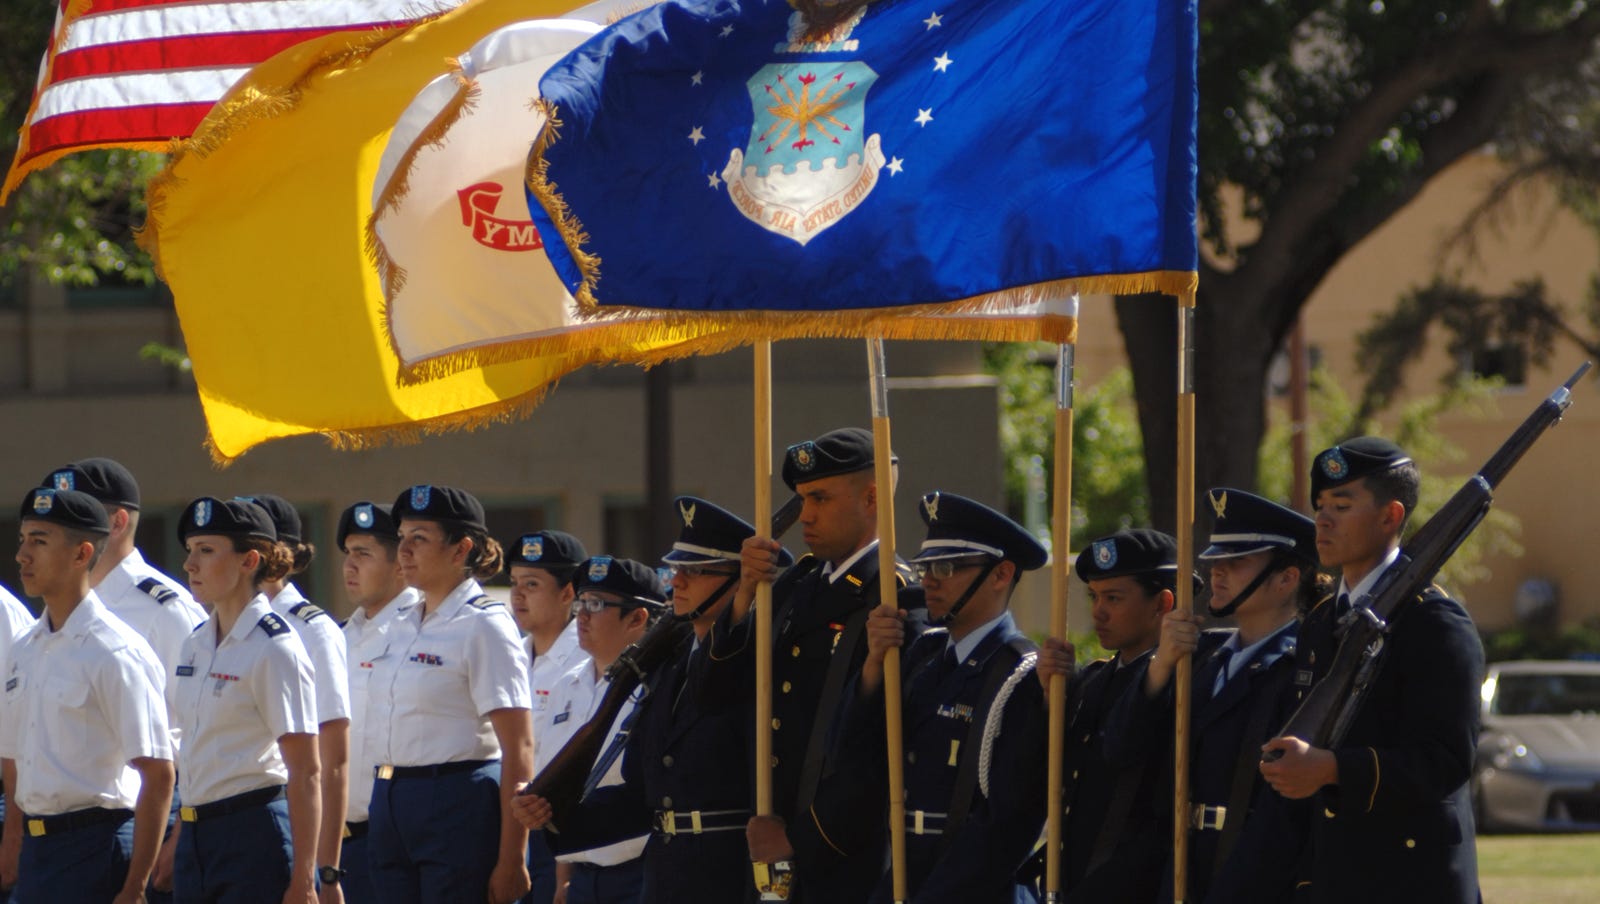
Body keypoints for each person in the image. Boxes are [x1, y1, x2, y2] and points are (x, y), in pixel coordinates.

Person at [514, 498, 789, 902]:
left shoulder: (757, 662)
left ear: (739, 581)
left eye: (695, 572)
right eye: (677, 570)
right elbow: (645, 792)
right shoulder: (668, 668)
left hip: (730, 871)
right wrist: (555, 813)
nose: (677, 582)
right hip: (667, 873)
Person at [1260, 437, 1484, 903]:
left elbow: (1444, 762)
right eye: (1320, 506)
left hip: (1410, 883)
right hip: (1330, 878)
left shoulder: (1434, 622)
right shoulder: (1322, 621)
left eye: (1342, 506)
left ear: (1391, 516)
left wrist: (1334, 769)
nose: (1323, 519)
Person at [717, 427, 921, 902]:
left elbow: (877, 753)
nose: (805, 515)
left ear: (872, 498)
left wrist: (799, 841)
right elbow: (717, 692)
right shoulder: (797, 585)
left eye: (821, 499)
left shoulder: (895, 598)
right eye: (803, 498)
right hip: (769, 846)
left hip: (842, 860)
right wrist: (743, 594)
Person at [1107, 490, 1321, 902]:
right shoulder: (1200, 656)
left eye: (1236, 562)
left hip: (1255, 877)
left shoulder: (1304, 666)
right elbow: (1121, 748)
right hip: (1181, 868)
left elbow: (1286, 811)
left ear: (1286, 578)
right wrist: (1161, 665)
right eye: (1216, 561)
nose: (1217, 572)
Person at [850, 492, 1049, 902]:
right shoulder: (923, 655)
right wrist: (872, 665)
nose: (929, 580)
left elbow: (1008, 822)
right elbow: (853, 751)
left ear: (1001, 574)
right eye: (925, 567)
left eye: (947, 567)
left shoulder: (1021, 674)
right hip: (905, 877)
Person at [41, 458, 204, 904]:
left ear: (115, 523)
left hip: (147, 819)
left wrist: (182, 834)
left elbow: (199, 729)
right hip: (67, 829)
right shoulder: (60, 607)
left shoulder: (166, 609)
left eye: (76, 512)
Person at [0, 487, 175, 903]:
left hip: (97, 844)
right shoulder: (26, 648)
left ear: (81, 554)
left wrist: (135, 886)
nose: (22, 555)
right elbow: (14, 756)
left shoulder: (115, 651)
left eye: (39, 542)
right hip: (37, 849)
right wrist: (13, 838)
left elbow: (158, 774)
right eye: (23, 540)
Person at [366, 485, 532, 904]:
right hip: (389, 799)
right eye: (401, 537)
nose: (404, 550)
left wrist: (512, 858)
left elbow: (519, 746)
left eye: (419, 538)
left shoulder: (484, 625)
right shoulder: (401, 620)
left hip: (455, 800)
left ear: (461, 550)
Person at [167, 496, 321, 904]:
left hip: (252, 831)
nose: (190, 564)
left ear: (249, 560)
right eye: (190, 550)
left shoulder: (275, 647)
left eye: (206, 550)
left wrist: (305, 879)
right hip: (195, 834)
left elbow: (306, 770)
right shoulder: (195, 643)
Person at [1032, 528, 1181, 902]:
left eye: (1113, 598)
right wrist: (1052, 696)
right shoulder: (1096, 678)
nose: (1098, 611)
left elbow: (1125, 750)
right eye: (1094, 596)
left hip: (1135, 885)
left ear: (1162, 603)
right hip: (1076, 877)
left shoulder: (1183, 683)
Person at [243, 494, 351, 902]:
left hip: (288, 827)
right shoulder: (217, 630)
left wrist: (326, 871)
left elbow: (332, 760)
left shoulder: (312, 630)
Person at [537, 556, 664, 904]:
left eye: (596, 605)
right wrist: (564, 878)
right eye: (580, 603)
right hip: (582, 873)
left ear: (637, 618)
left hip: (640, 871)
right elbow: (561, 785)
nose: (582, 615)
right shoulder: (566, 685)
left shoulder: (657, 686)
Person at [335, 502, 417, 904]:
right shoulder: (340, 636)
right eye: (348, 553)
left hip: (401, 844)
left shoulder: (421, 631)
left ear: (400, 564)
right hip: (341, 844)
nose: (349, 565)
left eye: (363, 554)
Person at [506, 529, 589, 904]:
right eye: (514, 583)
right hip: (512, 825)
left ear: (568, 593)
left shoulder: (587, 659)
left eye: (532, 584)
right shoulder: (511, 655)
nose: (517, 595)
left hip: (560, 825)